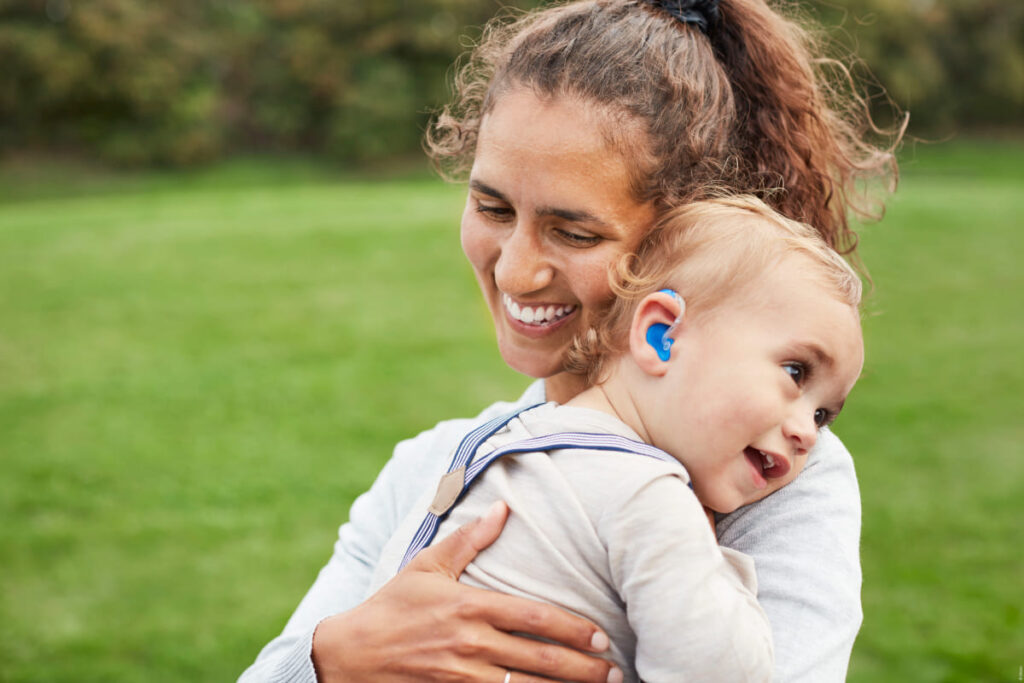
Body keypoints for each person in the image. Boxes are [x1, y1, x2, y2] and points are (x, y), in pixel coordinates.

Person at [240, 0, 902, 681]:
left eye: (575, 232)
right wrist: (333, 658)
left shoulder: (777, 478)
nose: (515, 270)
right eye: (492, 207)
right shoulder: (437, 463)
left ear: (685, 242)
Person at [363, 197, 866, 683]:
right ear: (660, 336)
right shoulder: (650, 497)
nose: (806, 433)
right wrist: (719, 569)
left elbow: (384, 615)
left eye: (824, 414)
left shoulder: (493, 447)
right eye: (795, 372)